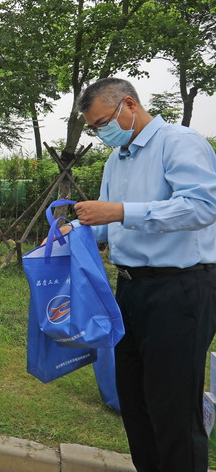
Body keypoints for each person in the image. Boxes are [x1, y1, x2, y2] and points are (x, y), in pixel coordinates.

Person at [74, 78, 216, 472]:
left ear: (129, 105)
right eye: (94, 128)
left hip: (179, 289)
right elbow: (107, 225)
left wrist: (122, 211)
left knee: (173, 406)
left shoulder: (179, 143)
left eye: (103, 123)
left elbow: (202, 206)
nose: (101, 133)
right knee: (135, 401)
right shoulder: (115, 160)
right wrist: (74, 231)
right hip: (130, 290)